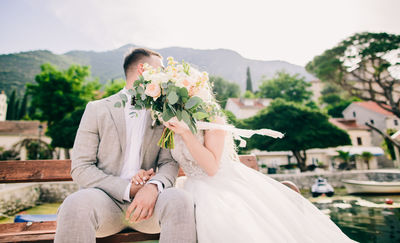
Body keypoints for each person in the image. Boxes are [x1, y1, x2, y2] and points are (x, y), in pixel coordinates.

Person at [159, 89, 358, 243]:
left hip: (219, 185)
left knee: (224, 218)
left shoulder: (211, 117)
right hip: (190, 187)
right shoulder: (170, 123)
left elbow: (211, 168)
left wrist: (186, 133)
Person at [55, 48, 197, 243]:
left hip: (151, 205)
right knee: (75, 204)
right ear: (142, 70)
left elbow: (168, 163)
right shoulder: (96, 109)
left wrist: (153, 187)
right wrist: (129, 189)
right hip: (105, 201)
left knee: (180, 200)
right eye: (161, 70)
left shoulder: (165, 112)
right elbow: (81, 167)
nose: (166, 76)